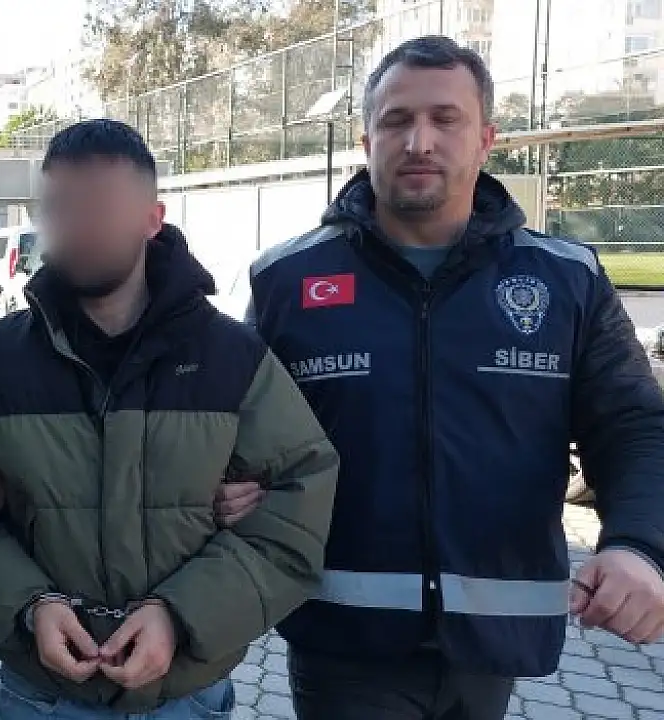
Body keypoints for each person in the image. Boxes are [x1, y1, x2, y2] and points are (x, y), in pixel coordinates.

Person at [215, 35, 664, 720]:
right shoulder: (287, 279)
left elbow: (633, 423)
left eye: (445, 119)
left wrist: (639, 546)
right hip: (342, 643)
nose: (418, 141)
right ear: (367, 141)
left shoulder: (566, 280)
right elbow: (231, 428)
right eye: (396, 120)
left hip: (495, 643)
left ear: (486, 140)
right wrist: (225, 485)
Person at [0, 119, 340, 719]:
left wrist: (183, 615)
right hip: (40, 696)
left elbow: (300, 497)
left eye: (102, 208)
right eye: (61, 208)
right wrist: (28, 605)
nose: (80, 227)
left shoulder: (234, 360)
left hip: (186, 696)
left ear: (152, 219)